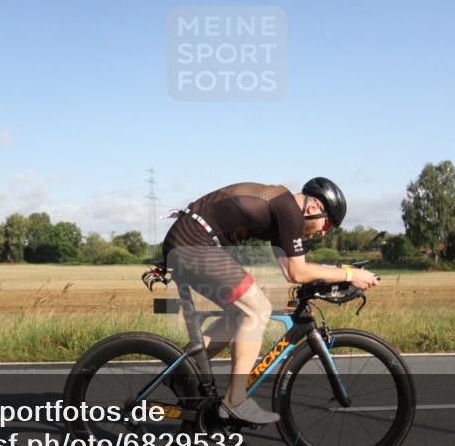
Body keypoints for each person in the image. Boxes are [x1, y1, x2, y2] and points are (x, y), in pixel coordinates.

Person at [157, 178, 379, 425]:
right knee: (257, 309)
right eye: (327, 224)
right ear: (314, 207)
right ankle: (235, 401)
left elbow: (289, 271)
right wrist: (349, 274)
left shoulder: (281, 212)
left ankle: (182, 370)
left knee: (241, 312)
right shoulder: (288, 210)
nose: (324, 232)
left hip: (190, 239)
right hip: (194, 242)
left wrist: (339, 271)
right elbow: (298, 273)